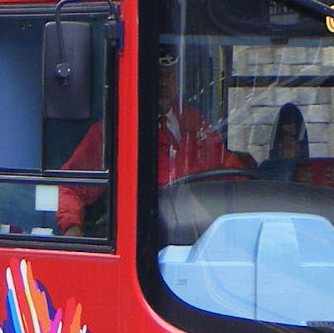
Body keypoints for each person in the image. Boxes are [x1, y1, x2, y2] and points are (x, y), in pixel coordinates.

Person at [56, 48, 235, 233]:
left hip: (192, 234)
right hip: (137, 236)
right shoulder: (111, 133)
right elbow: (72, 185)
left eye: (170, 75)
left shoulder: (197, 126)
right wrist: (71, 226)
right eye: (156, 75)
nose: (163, 83)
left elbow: (228, 173)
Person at [256, 102, 310, 181]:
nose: (286, 142)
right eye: (282, 139)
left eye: (292, 139)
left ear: (300, 146)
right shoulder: (266, 168)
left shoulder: (308, 170)